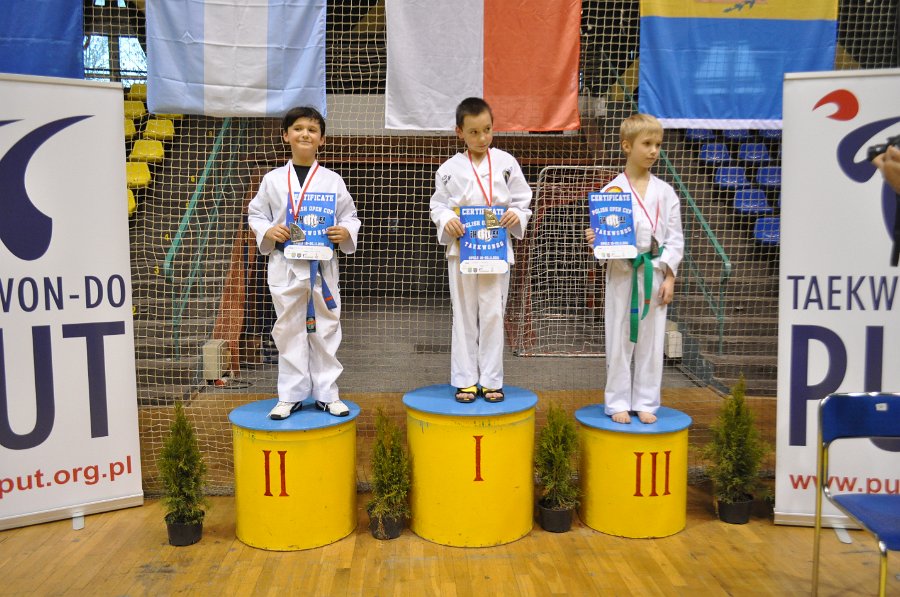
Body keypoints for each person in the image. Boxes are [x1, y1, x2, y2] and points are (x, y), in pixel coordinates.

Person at [248, 106, 360, 419]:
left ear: (322, 139)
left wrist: (345, 231)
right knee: (288, 330)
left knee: (326, 328)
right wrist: (268, 231)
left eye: (312, 129)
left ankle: (327, 394)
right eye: (298, 128)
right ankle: (290, 395)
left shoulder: (332, 180)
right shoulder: (272, 179)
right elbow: (256, 214)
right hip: (286, 264)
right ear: (286, 135)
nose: (305, 134)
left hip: (322, 266)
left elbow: (350, 216)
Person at [430, 97, 533, 403]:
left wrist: (517, 215)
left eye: (487, 130)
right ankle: (465, 380)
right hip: (463, 249)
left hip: (496, 248)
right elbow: (438, 205)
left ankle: (491, 380)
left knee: (493, 314)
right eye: (474, 132)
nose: (482, 138)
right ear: (459, 132)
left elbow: (522, 199)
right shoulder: (448, 169)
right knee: (463, 314)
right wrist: (447, 219)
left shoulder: (506, 163)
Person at [585, 113, 683, 424]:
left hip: (654, 269)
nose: (654, 151)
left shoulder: (665, 192)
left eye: (658, 144)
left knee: (651, 341)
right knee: (619, 337)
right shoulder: (611, 191)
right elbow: (605, 238)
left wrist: (670, 277)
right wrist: (596, 239)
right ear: (627, 146)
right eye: (647, 143)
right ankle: (616, 401)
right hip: (622, 272)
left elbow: (675, 238)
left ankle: (646, 401)